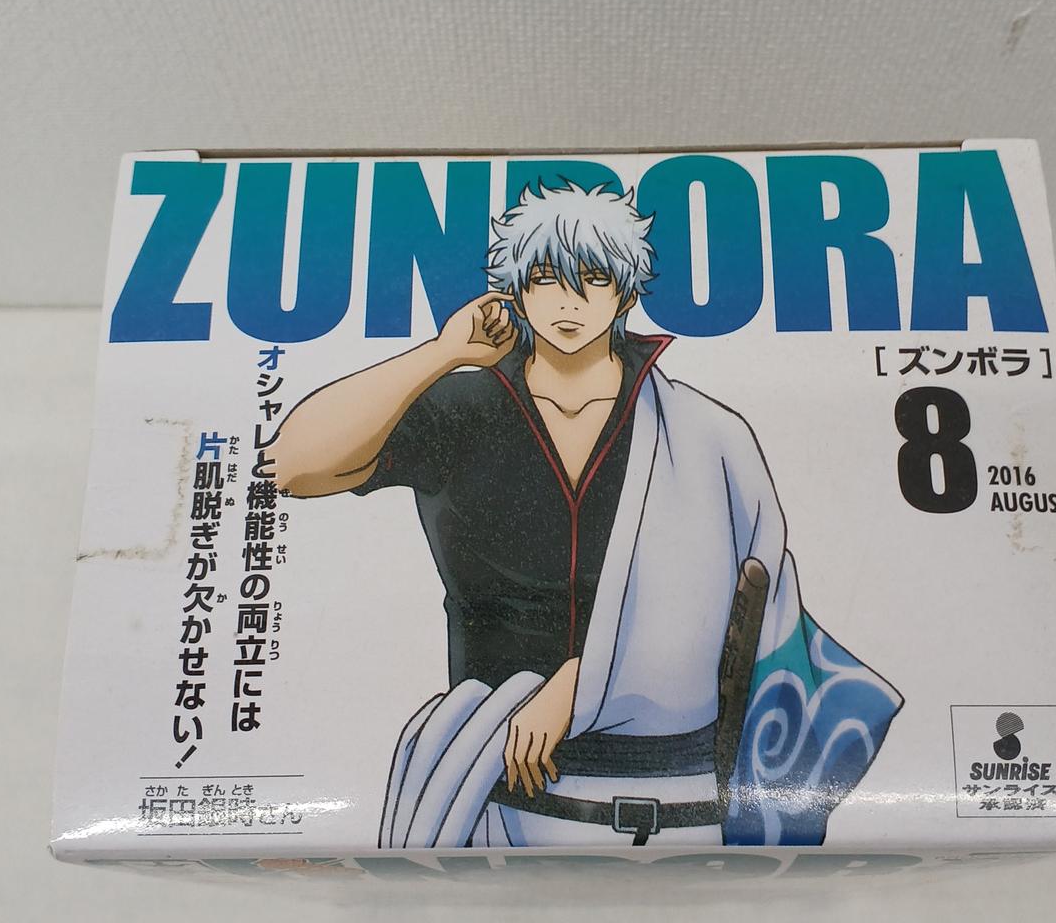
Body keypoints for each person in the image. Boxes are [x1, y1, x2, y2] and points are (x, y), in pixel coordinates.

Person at [274, 182, 902, 848]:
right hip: (496, 794)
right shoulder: (463, 411)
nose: (568, 301)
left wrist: (581, 685)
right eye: (545, 278)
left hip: (684, 801)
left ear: (626, 294)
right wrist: (441, 353)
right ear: (516, 292)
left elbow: (738, 596)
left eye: (594, 278)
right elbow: (291, 465)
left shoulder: (706, 432)